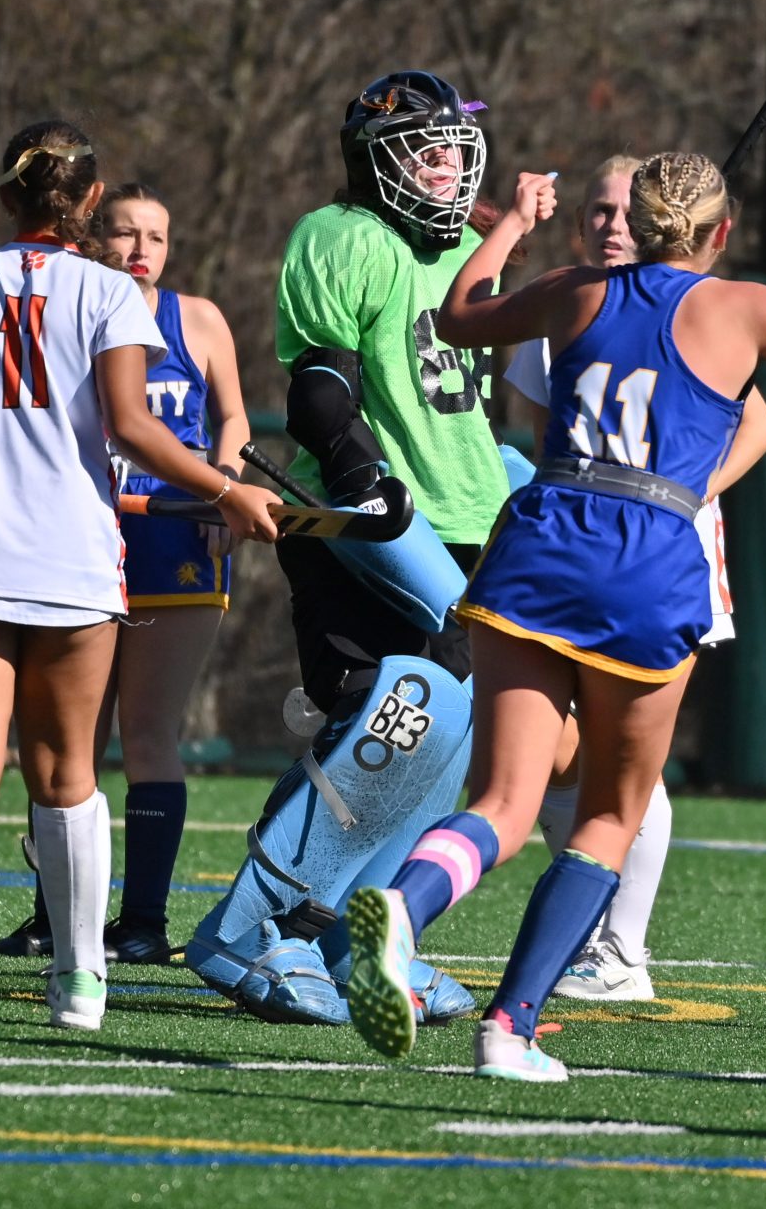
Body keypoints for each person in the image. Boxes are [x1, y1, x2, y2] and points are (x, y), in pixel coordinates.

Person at [343, 151, 766, 1081]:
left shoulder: (574, 290)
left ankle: (409, 907)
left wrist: (506, 227)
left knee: (504, 803)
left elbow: (459, 315)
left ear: (640, 215)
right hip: (647, 556)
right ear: (720, 231)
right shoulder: (745, 306)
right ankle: (510, 1026)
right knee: (611, 813)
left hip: (540, 540)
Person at [0, 122, 279, 1032]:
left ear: (6, 199)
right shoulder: (111, 294)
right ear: (91, 202)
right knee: (67, 770)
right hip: (70, 558)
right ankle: (81, 984)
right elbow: (131, 426)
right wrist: (225, 491)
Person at [178, 70, 513, 1028]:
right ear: (380, 159)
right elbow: (321, 390)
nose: (451, 167)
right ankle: (247, 927)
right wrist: (360, 470)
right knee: (406, 703)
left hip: (465, 515)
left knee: (457, 721)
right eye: (431, 149)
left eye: (458, 148)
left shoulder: (461, 258)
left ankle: (345, 938)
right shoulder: (343, 236)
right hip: (372, 520)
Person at [502, 153, 766, 1000]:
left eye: (626, 211)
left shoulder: (704, 313)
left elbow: (758, 423)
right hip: (569, 548)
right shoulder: (571, 305)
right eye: (596, 211)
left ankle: (621, 948)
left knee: (623, 764)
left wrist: (682, 490)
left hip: (661, 557)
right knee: (551, 758)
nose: (611, 225)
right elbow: (545, 440)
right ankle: (584, 933)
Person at [0, 183, 250, 967]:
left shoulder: (196, 319)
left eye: (157, 237)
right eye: (125, 233)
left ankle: (141, 923)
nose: (141, 250)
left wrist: (224, 481)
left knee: (147, 734)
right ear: (92, 238)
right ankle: (54, 917)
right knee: (69, 741)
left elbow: (232, 417)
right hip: (78, 542)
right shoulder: (70, 310)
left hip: (173, 544)